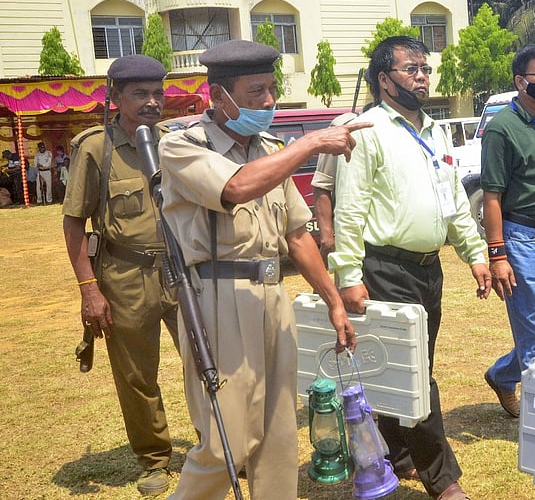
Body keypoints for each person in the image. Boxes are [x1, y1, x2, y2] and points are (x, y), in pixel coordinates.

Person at [158, 39, 359, 499]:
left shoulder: (268, 149)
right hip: (218, 297)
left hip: (271, 294)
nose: (268, 102)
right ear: (219, 96)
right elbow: (237, 187)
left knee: (277, 432)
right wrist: (311, 141)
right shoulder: (183, 145)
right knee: (226, 436)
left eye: (271, 89)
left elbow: (296, 235)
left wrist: (333, 302)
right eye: (255, 92)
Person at [330, 35, 490, 500]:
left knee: (410, 369)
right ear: (384, 79)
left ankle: (399, 456)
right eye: (411, 69)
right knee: (416, 375)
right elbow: (350, 210)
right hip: (385, 269)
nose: (422, 77)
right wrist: (349, 276)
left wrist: (475, 253)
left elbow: (455, 203)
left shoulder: (435, 131)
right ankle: (444, 480)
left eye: (425, 68)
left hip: (429, 270)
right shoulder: (367, 130)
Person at [61, 54, 180, 496]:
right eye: (140, 94)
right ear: (115, 97)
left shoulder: (173, 142)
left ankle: (216, 446)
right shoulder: (95, 147)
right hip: (125, 275)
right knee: (137, 375)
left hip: (180, 270)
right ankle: (153, 459)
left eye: (157, 93)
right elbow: (74, 222)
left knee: (206, 360)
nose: (152, 102)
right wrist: (89, 289)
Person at [481, 43, 535, 419]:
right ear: (521, 81)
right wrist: (497, 255)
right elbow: (492, 197)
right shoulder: (502, 129)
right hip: (523, 240)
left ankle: (503, 375)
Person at [311, 110, 360, 263]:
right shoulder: (344, 126)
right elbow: (322, 184)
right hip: (353, 241)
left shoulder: (410, 128)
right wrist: (327, 237)